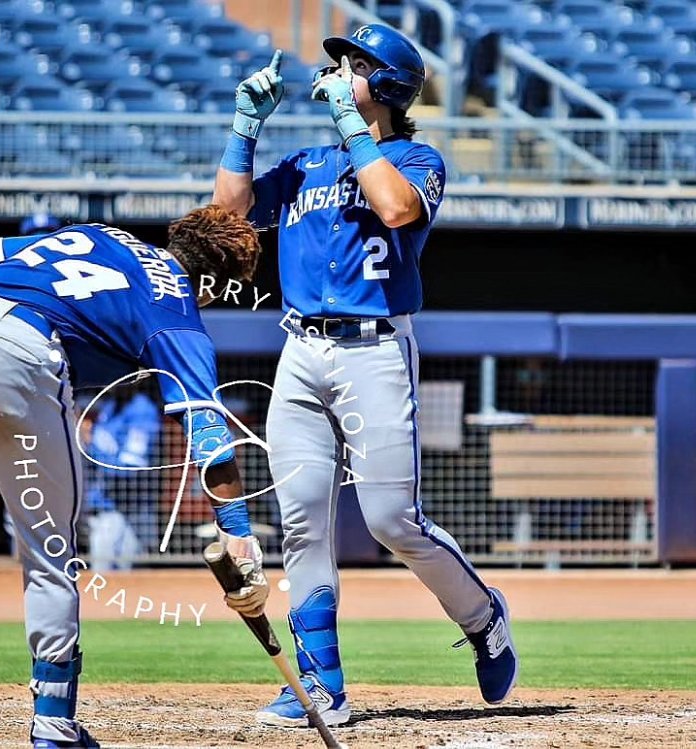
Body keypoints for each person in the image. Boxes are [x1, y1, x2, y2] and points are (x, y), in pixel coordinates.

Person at [0, 206, 269, 749]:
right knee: (49, 546)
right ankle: (53, 722)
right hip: (13, 354)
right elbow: (209, 434)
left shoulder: (102, 235)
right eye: (232, 287)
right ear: (216, 276)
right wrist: (236, 533)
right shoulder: (178, 308)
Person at [212, 24, 519, 729]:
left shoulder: (417, 156)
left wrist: (352, 123)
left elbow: (396, 207)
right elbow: (227, 219)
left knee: (391, 519)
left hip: (374, 349)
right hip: (299, 350)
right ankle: (321, 687)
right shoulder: (307, 163)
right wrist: (244, 128)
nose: (338, 73)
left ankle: (484, 616)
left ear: (387, 84)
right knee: (302, 525)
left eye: (354, 65)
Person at [78, 391, 162, 571]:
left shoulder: (142, 410)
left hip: (132, 510)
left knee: (128, 578)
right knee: (102, 574)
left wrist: (91, 444)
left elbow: (131, 467)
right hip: (105, 506)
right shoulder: (109, 405)